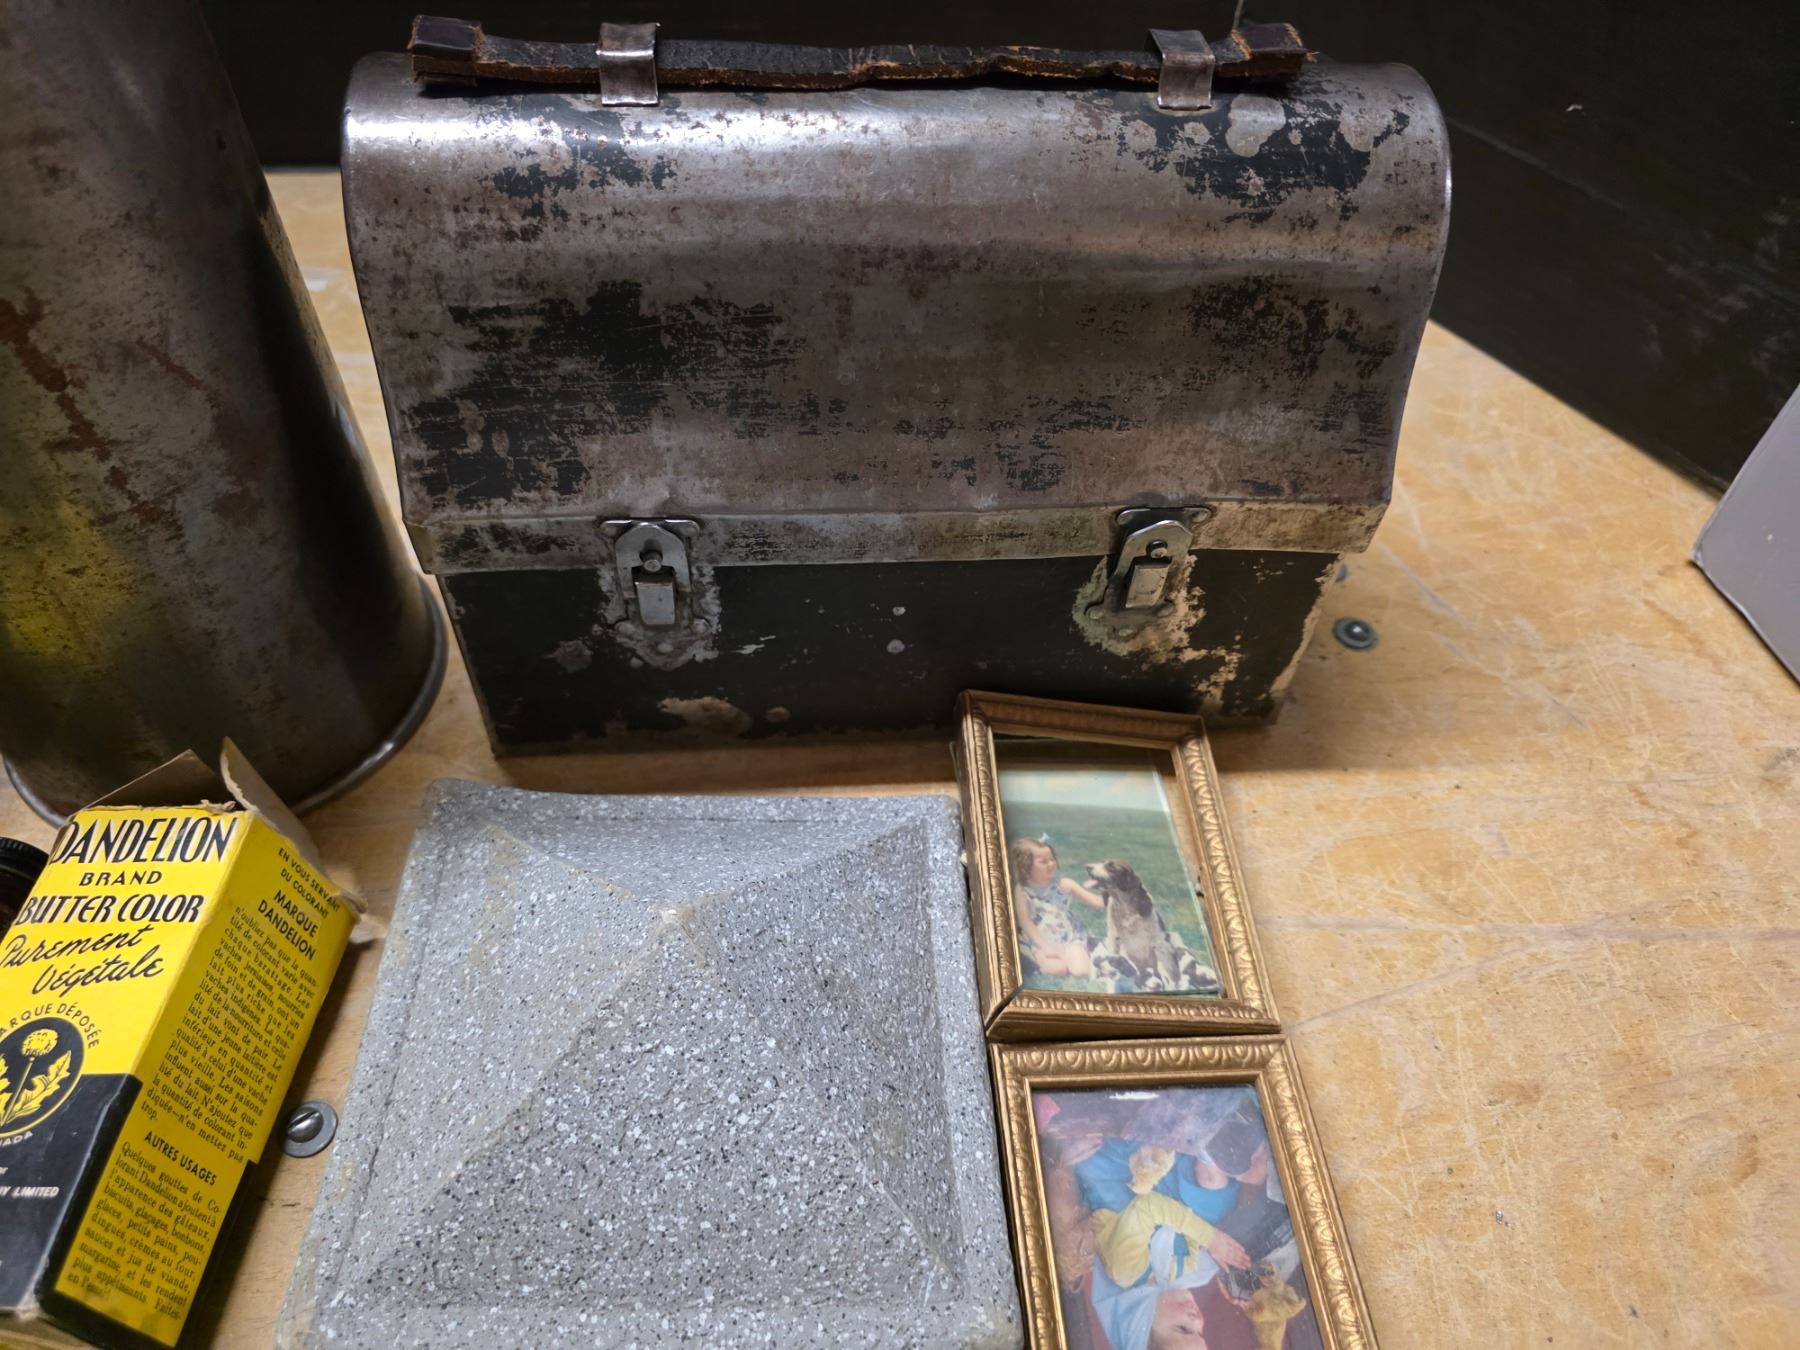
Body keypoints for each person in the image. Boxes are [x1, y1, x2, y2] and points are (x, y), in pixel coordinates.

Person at [1010, 837, 1105, 978]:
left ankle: (1086, 955)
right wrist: (1045, 946)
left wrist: (1117, 895)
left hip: (1070, 938)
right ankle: (1033, 958)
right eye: (1043, 862)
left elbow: (1096, 902)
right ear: (1026, 867)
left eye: (1051, 859)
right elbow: (1025, 922)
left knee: (1081, 971)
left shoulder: (1064, 884)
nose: (1050, 864)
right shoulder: (1022, 890)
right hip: (1041, 940)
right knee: (1058, 970)